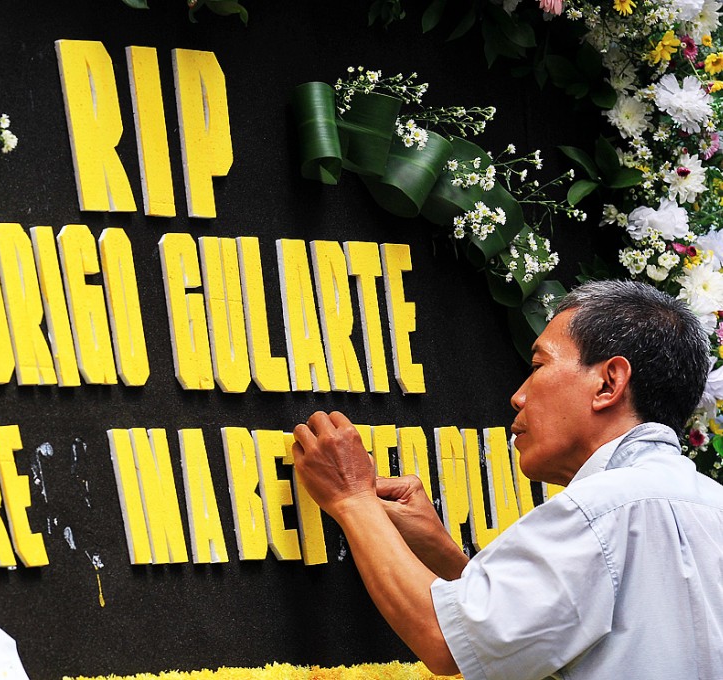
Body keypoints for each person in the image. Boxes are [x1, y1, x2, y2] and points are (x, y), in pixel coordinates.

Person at [292, 279, 723, 679]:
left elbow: (443, 642)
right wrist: (440, 551)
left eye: (537, 366)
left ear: (608, 383)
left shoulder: (603, 508)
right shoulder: (709, 502)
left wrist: (353, 499)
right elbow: (517, 630)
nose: (518, 396)